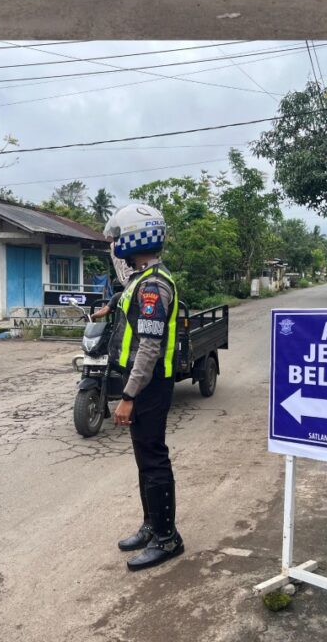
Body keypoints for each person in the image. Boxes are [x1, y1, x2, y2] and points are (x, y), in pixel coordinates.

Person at [104, 202, 184, 572]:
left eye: (119, 237)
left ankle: (168, 539)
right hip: (143, 384)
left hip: (149, 386)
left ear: (136, 237)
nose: (115, 245)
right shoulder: (141, 279)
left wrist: (128, 396)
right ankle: (152, 525)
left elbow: (149, 347)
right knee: (144, 460)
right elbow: (128, 303)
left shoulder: (153, 285)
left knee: (153, 460)